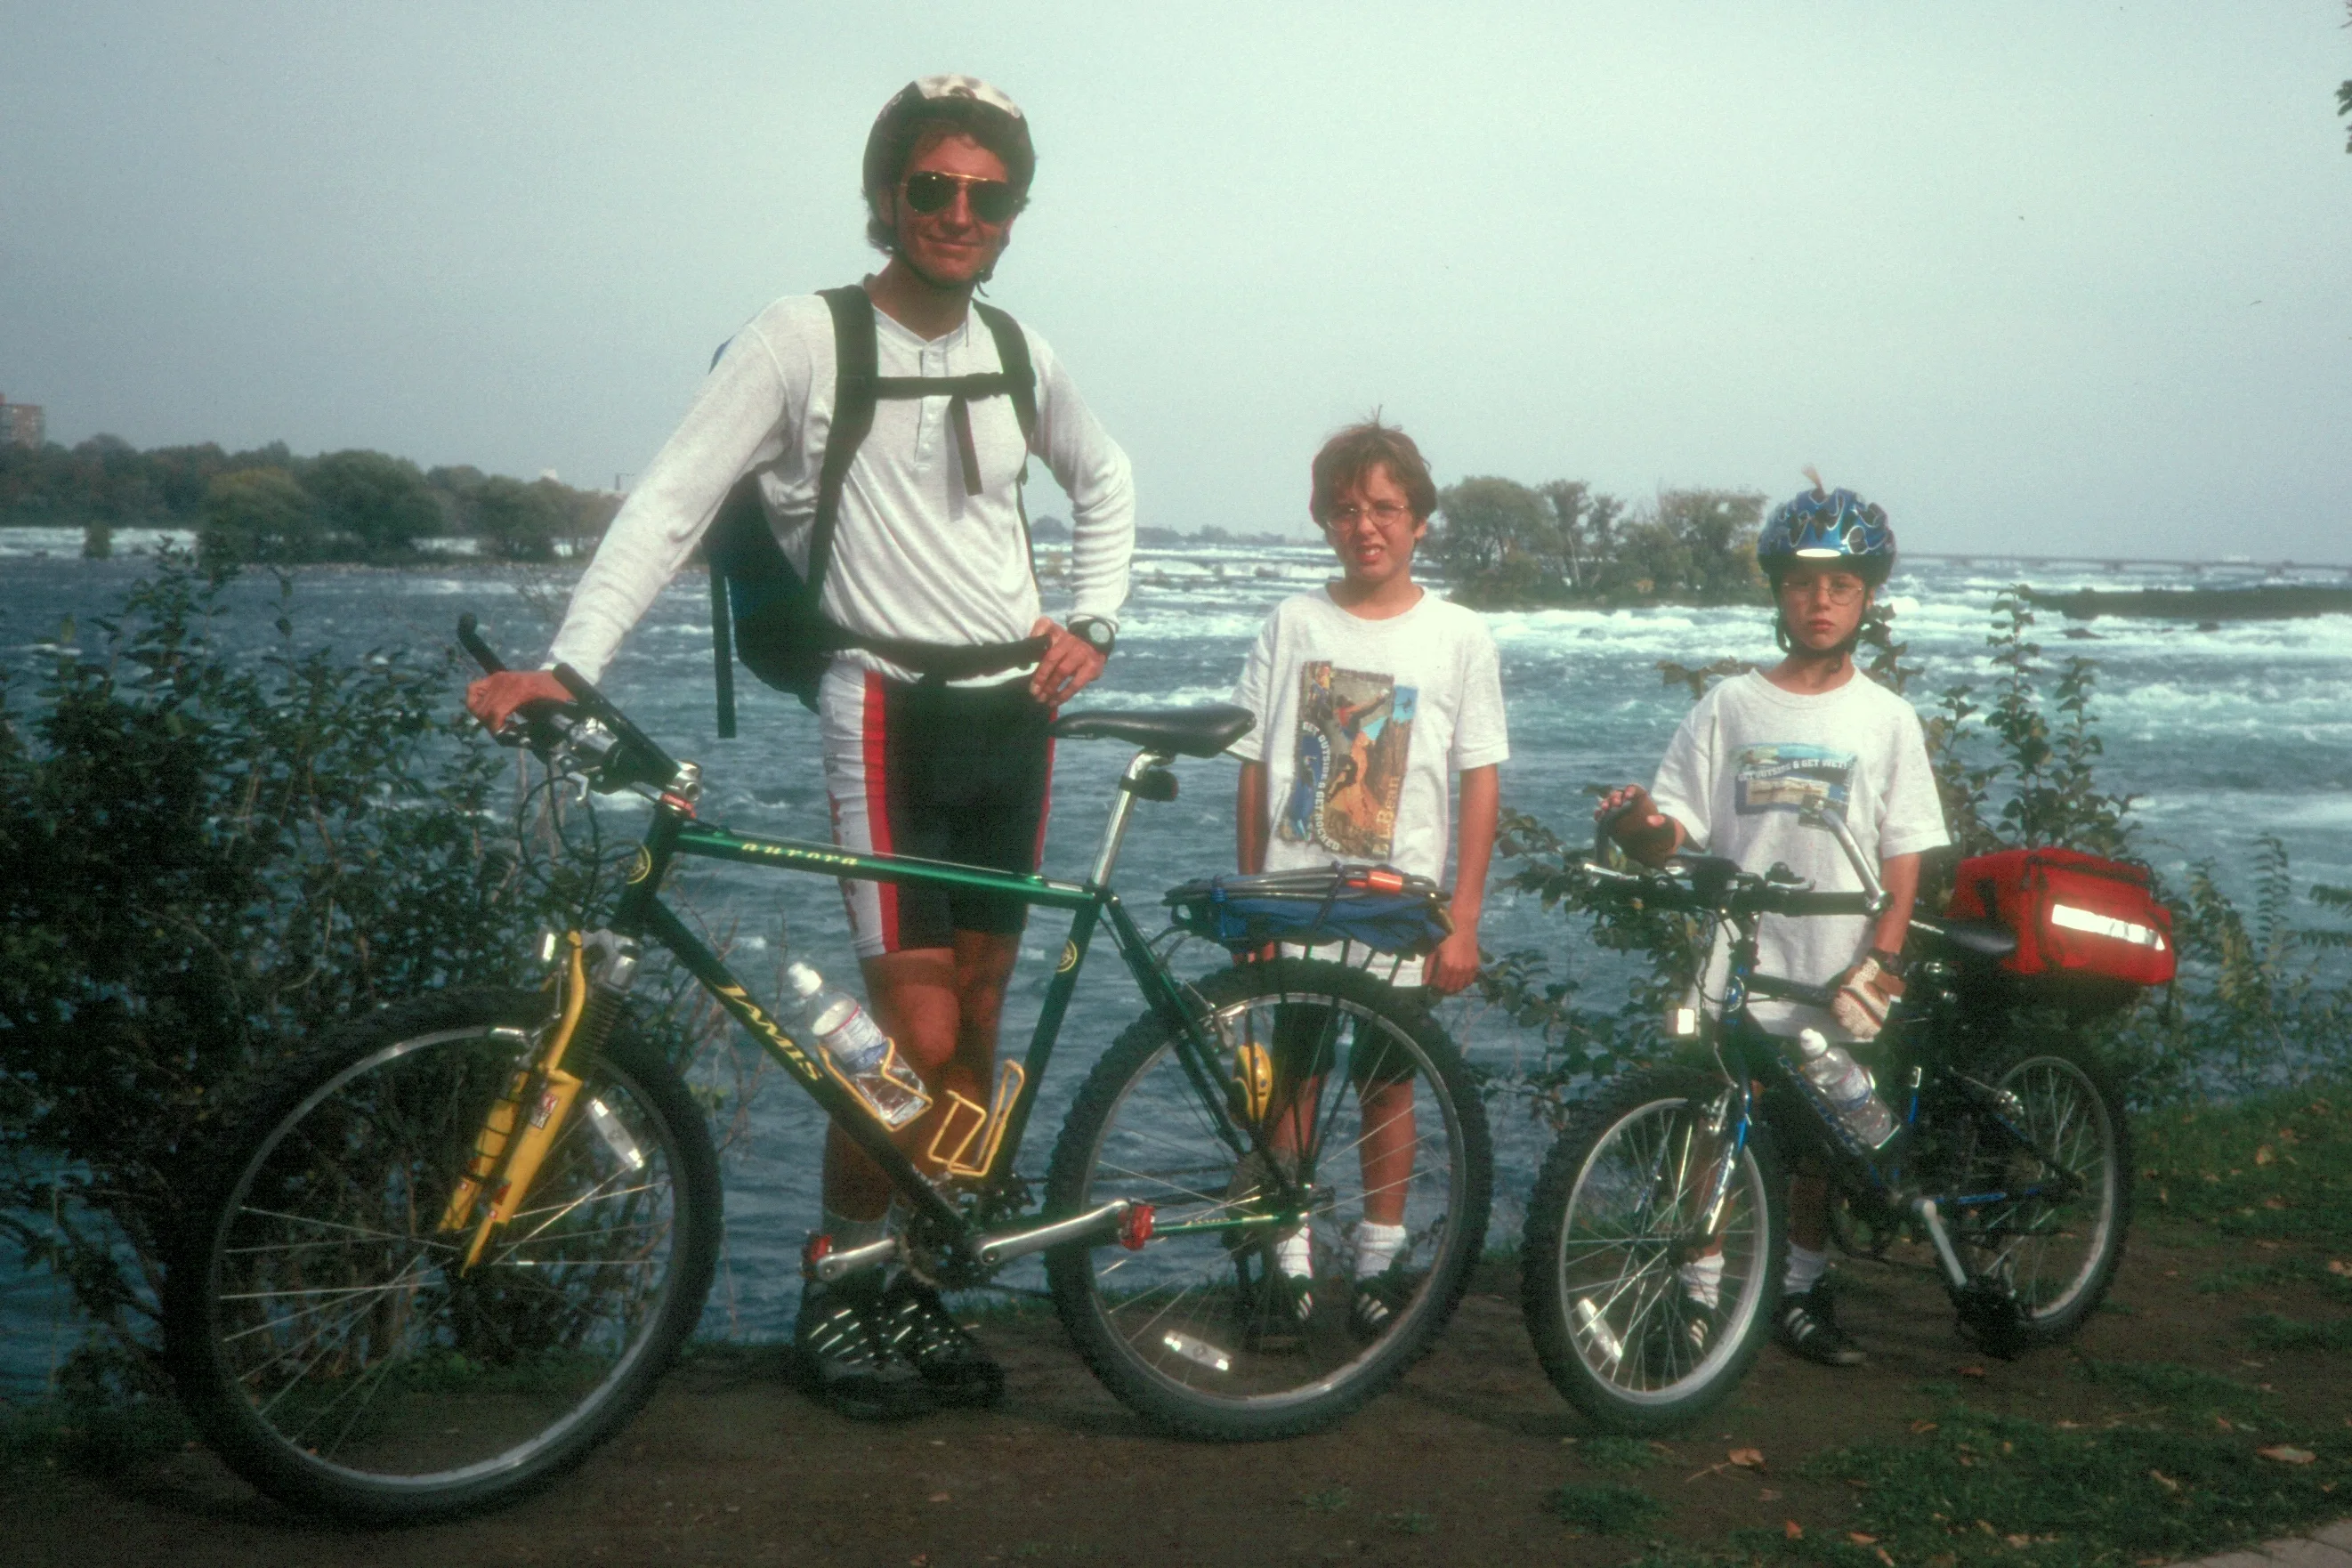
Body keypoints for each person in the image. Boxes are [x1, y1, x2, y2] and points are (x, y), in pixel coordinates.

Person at [465, 75, 1136, 1416]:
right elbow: (670, 503)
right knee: (912, 1034)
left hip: (1015, 715)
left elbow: (1105, 478)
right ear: (886, 194)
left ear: (1013, 212)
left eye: (987, 194)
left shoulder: (1020, 351)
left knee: (979, 1023)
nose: (959, 213)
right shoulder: (799, 340)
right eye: (932, 187)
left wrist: (1096, 620)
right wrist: (572, 668)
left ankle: (914, 1290)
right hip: (882, 709)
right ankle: (838, 1284)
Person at [1594, 475, 1948, 1367]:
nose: (1819, 601)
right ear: (1778, 595)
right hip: (1736, 957)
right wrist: (1638, 827)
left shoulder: (1887, 718)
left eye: (1840, 586)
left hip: (1836, 961)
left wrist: (1885, 956)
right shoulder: (1730, 703)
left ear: (1866, 597)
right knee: (1715, 1121)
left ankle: (1800, 1289)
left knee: (1819, 1141)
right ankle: (1697, 1295)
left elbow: (1904, 848)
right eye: (1800, 584)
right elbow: (1676, 830)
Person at [1228, 418, 1508, 1338]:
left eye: (1386, 508)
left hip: (1400, 910)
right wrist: (1252, 900)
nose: (1366, 526)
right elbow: (1253, 771)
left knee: (1389, 1083)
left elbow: (1478, 781)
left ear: (1419, 519)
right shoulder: (1292, 624)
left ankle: (1381, 1263)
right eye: (1346, 509)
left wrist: (1464, 917)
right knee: (1297, 1076)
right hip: (1300, 901)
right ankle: (1288, 1265)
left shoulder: (1458, 635)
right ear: (1324, 520)